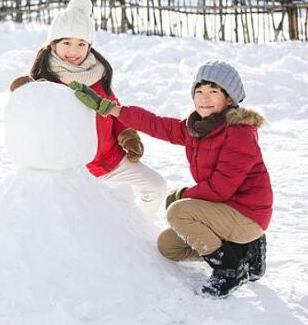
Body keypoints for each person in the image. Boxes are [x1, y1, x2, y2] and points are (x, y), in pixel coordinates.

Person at [71, 59, 272, 297]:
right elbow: (157, 125)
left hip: (247, 214)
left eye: (213, 91)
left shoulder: (238, 133)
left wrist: (182, 195)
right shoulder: (199, 127)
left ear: (229, 98)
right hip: (223, 211)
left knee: (179, 211)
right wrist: (111, 108)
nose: (204, 98)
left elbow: (220, 189)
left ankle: (229, 268)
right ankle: (244, 251)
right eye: (199, 91)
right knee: (169, 246)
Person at [23, 0, 167, 219]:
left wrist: (126, 134)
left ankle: (137, 230)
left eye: (81, 44)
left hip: (111, 158)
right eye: (66, 43)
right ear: (53, 44)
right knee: (83, 219)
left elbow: (114, 109)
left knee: (156, 187)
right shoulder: (46, 82)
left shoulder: (97, 74)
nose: (74, 51)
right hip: (74, 171)